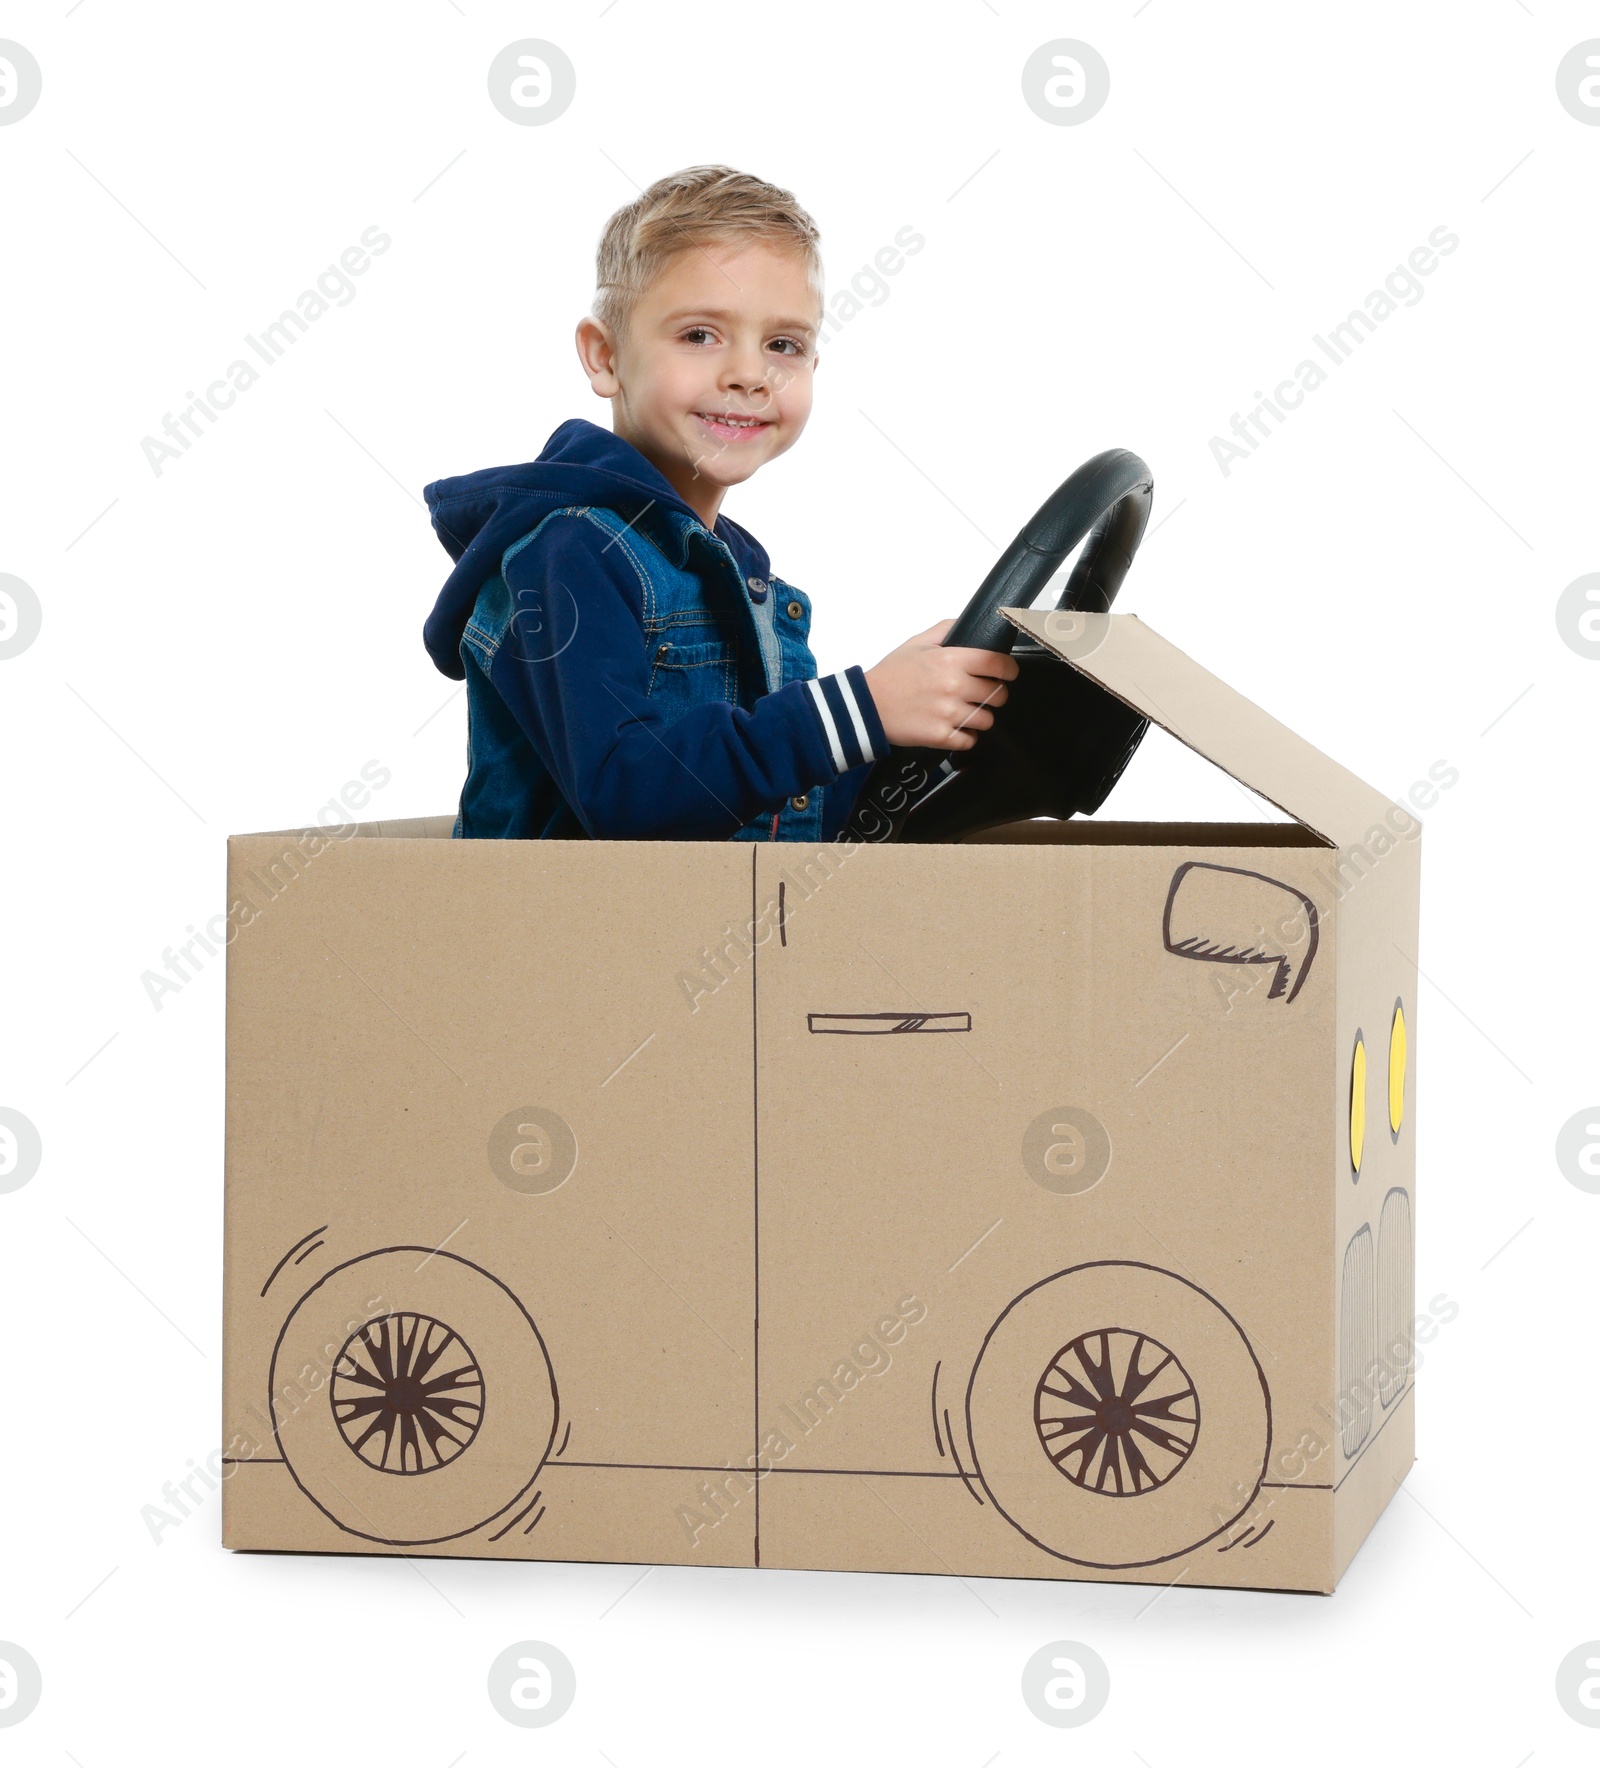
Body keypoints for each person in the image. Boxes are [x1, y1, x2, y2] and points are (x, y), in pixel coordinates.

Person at [422, 164, 1018, 841]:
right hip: (566, 940)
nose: (747, 375)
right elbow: (630, 794)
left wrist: (914, 726)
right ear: (604, 355)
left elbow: (765, 801)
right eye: (700, 335)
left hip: (708, 932)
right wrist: (861, 708)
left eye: (783, 345)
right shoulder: (570, 555)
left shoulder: (742, 577)